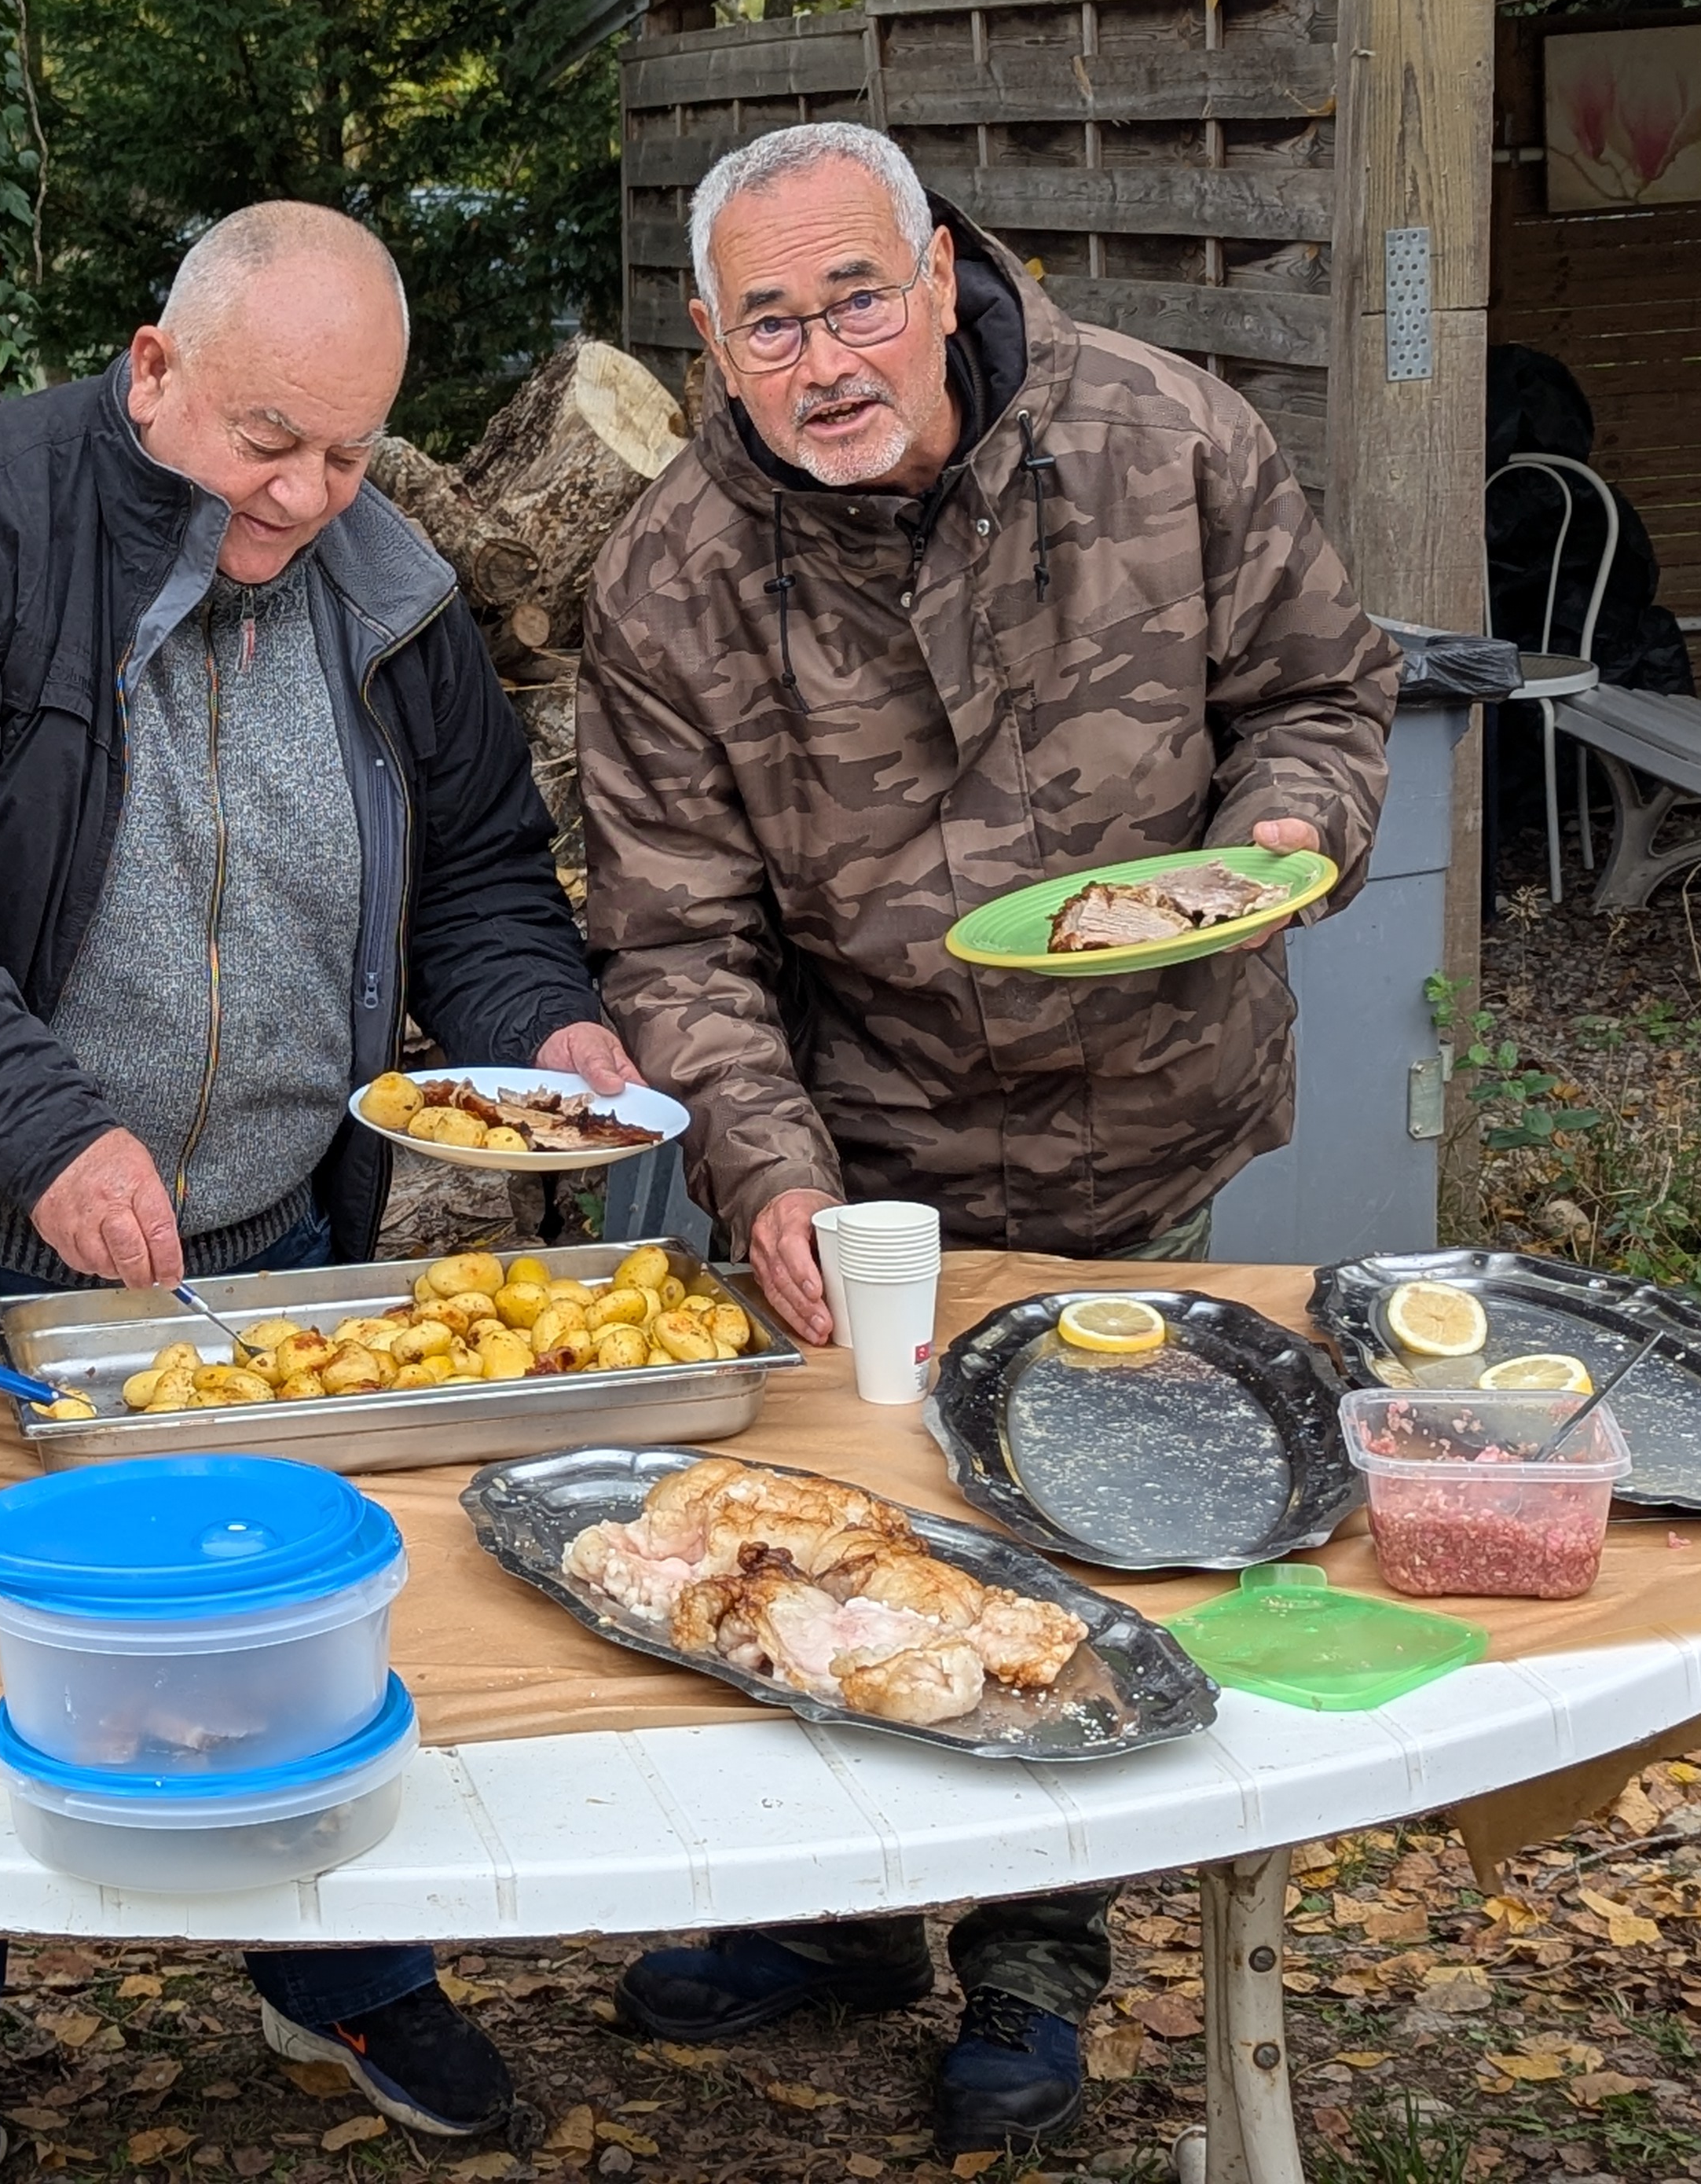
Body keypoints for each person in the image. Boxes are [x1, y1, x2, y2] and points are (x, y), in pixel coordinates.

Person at [0, 201, 635, 2170]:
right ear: (153, 370)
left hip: (273, 1243)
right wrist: (43, 1128)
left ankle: (338, 1975)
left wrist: (552, 1036)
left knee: (291, 1627)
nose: (306, 496)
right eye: (266, 442)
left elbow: (485, 874)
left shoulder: (384, 585)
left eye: (347, 451)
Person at [574, 123, 1399, 2152]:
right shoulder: (672, 574)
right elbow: (676, 934)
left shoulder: (1162, 436)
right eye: (769, 321)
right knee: (842, 1530)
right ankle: (838, 1911)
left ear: (940, 274)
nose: (825, 354)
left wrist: (1289, 832)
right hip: (867, 1165)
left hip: (1152, 1116)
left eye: (857, 295)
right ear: (707, 339)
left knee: (1088, 1514)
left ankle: (1038, 1949)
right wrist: (768, 1173)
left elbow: (1322, 691)